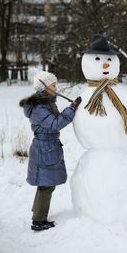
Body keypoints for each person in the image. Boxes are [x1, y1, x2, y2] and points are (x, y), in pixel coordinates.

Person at [19, 70, 81, 231]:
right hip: (44, 148)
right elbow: (55, 124)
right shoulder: (39, 107)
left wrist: (71, 107)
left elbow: (55, 120)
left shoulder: (46, 102)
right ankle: (39, 221)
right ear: (44, 87)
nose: (56, 87)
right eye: (53, 85)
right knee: (46, 185)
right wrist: (71, 111)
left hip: (48, 146)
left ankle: (37, 212)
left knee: (45, 184)